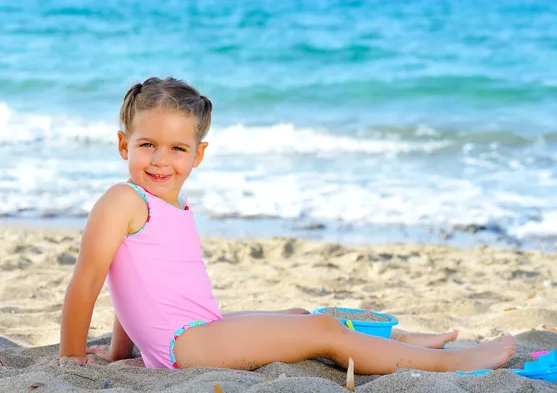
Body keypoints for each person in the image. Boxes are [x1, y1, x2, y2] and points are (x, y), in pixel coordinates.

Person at [58, 77, 516, 374]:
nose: (161, 160)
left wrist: (121, 353)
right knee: (323, 333)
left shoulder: (171, 204)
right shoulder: (122, 200)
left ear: (198, 155)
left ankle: (408, 343)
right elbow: (88, 283)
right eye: (147, 145)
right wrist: (70, 357)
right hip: (186, 346)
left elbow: (133, 284)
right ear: (124, 144)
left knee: (304, 317)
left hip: (197, 328)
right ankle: (453, 365)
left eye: (178, 149)